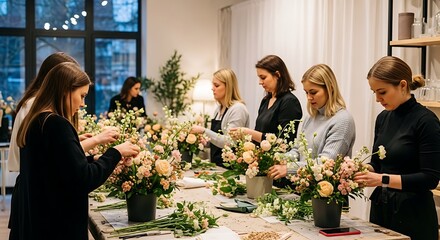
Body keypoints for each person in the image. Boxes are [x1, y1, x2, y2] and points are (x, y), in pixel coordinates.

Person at [8, 62, 140, 240]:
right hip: (58, 225)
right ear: (66, 91)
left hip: (41, 222)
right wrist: (115, 152)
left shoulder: (37, 120)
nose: (83, 104)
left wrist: (94, 159)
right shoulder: (57, 124)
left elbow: (59, 168)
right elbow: (84, 180)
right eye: (82, 96)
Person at [354, 56, 440, 240]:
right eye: (374, 92)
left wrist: (381, 179)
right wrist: (362, 171)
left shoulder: (426, 121)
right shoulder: (383, 118)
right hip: (381, 209)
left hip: (413, 214)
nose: (377, 99)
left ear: (402, 85)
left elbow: (429, 178)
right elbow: (377, 163)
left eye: (382, 92)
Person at [8, 52, 118, 173]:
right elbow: (56, 159)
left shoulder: (42, 110)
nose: (82, 104)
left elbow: (51, 153)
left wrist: (71, 142)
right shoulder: (46, 114)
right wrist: (107, 148)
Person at [268, 64, 356, 181]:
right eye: (306, 92)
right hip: (305, 189)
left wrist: (289, 169)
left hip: (327, 196)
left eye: (313, 92)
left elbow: (326, 162)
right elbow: (297, 151)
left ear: (330, 88)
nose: (309, 97)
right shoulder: (310, 117)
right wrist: (274, 158)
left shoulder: (343, 120)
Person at [233, 55, 303, 187]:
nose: (260, 82)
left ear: (277, 75)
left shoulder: (289, 102)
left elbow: (285, 143)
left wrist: (249, 132)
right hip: (264, 168)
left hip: (279, 172)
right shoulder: (265, 101)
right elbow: (260, 133)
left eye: (263, 77)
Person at [191, 69, 250, 166]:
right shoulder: (218, 109)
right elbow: (216, 141)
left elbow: (229, 142)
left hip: (231, 168)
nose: (212, 88)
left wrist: (203, 130)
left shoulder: (238, 109)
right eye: (212, 85)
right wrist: (205, 142)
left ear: (229, 87)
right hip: (217, 165)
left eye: (217, 85)